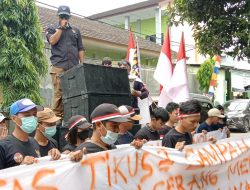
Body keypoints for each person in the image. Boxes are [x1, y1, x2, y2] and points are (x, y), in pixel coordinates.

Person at [46, 5, 85, 118]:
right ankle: (57, 120)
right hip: (59, 66)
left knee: (74, 93)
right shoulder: (52, 28)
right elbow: (52, 41)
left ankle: (71, 117)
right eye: (62, 16)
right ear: (58, 16)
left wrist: (82, 65)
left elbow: (80, 48)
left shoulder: (76, 30)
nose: (64, 18)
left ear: (70, 17)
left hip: (74, 67)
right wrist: (61, 28)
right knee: (59, 94)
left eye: (66, 16)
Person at [75, 103, 144, 154]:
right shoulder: (83, 152)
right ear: (99, 125)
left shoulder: (112, 147)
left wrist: (132, 149)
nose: (117, 130)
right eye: (114, 125)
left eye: (118, 125)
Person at [0, 98, 43, 169]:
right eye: (27, 115)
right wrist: (20, 167)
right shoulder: (3, 146)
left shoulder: (34, 142)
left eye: (34, 114)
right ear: (14, 118)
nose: (32, 118)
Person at [118, 60, 149, 135]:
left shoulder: (136, 79)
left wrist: (137, 93)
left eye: (125, 67)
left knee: (134, 131)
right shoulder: (115, 79)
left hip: (133, 109)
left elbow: (146, 93)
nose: (123, 68)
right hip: (119, 110)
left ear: (129, 68)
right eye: (121, 67)